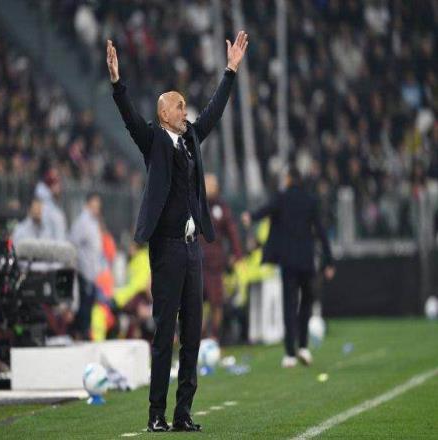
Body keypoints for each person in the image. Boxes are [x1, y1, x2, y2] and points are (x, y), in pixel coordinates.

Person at [107, 32, 248, 432]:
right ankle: (156, 414)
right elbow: (129, 117)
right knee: (164, 332)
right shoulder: (153, 140)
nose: (186, 109)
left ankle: (183, 412)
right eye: (179, 105)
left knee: (192, 334)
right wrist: (117, 82)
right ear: (164, 113)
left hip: (191, 249)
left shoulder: (190, 139)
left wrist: (230, 71)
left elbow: (214, 113)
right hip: (166, 248)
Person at [242, 167, 335, 368]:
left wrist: (251, 216)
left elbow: (266, 210)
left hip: (288, 261)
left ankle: (290, 353)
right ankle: (303, 346)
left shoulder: (282, 198)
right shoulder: (310, 201)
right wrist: (329, 261)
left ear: (289, 179)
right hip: (306, 260)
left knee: (289, 305)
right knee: (306, 303)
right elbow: (321, 231)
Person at [200, 173, 242, 342]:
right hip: (196, 263)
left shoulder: (222, 208)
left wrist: (236, 254)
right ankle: (199, 336)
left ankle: (215, 336)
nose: (208, 188)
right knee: (195, 302)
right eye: (206, 184)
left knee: (216, 302)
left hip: (215, 264)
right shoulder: (194, 204)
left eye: (211, 185)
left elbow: (232, 233)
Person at [70, 192, 103, 340]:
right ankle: (81, 335)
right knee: (83, 308)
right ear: (88, 204)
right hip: (84, 272)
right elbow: (73, 243)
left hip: (91, 273)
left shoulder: (93, 222)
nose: (97, 209)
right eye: (95, 205)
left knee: (88, 307)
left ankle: (85, 333)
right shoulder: (82, 222)